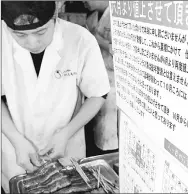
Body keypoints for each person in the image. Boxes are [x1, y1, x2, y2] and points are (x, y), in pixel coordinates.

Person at [1, 1, 110, 192]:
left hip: (67, 145)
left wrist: (66, 133)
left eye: (41, 32)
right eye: (20, 35)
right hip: (13, 144)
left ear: (55, 16)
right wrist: (16, 140)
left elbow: (98, 94)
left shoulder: (80, 39)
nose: (33, 43)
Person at [84, 1, 119, 154]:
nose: (84, 1)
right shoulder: (92, 16)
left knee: (110, 131)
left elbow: (118, 48)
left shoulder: (118, 11)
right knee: (98, 128)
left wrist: (95, 38)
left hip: (115, 80)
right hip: (98, 76)